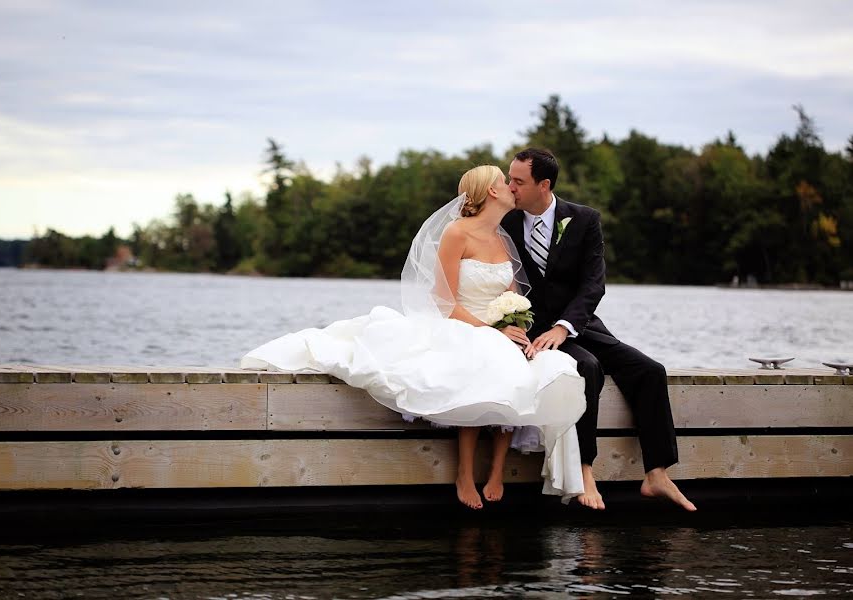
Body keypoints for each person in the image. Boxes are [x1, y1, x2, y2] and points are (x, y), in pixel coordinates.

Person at [241, 165, 586, 509]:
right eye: (504, 182)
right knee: (485, 364)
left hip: (496, 327)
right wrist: (492, 330)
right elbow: (444, 301)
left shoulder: (502, 237)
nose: (512, 187)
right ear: (491, 191)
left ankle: (496, 471)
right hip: (463, 323)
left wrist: (518, 328)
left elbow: (515, 299)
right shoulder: (456, 233)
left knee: (523, 365)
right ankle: (464, 473)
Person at [502, 148, 697, 511]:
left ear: (543, 185)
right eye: (509, 178)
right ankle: (583, 469)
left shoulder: (585, 219)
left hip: (579, 324)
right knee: (586, 367)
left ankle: (657, 474)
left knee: (650, 371)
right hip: (530, 332)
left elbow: (593, 284)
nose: (509, 186)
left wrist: (564, 327)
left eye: (518, 181)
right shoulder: (504, 221)